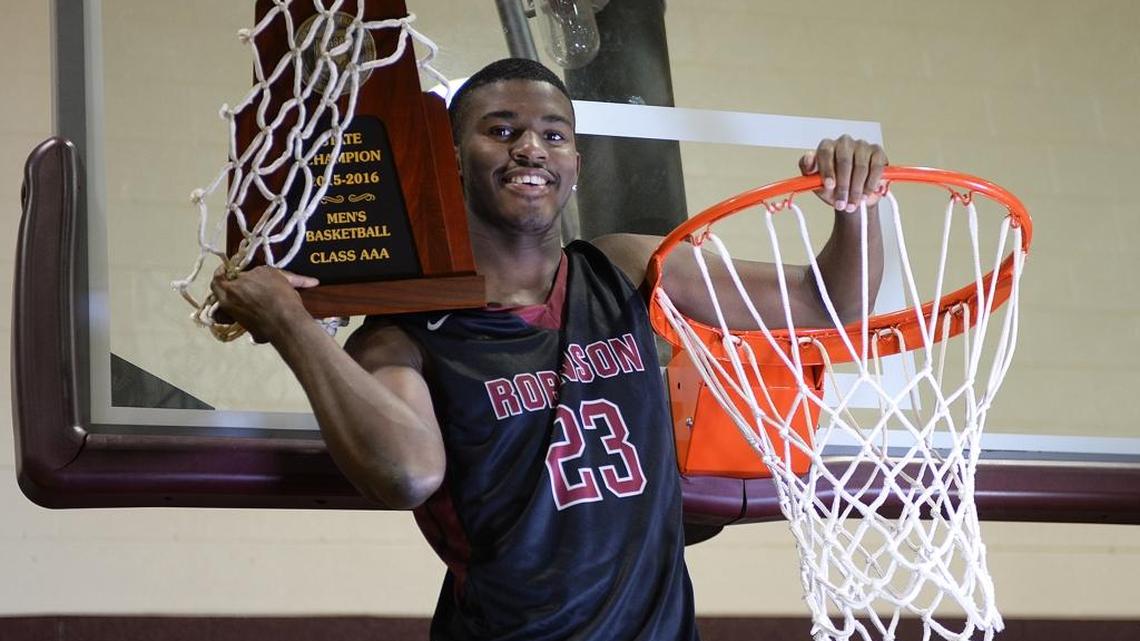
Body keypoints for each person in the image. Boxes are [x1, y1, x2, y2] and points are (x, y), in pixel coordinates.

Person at [211, 58, 886, 641]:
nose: (531, 147)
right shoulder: (407, 333)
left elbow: (828, 307)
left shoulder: (622, 267)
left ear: (575, 164)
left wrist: (856, 204)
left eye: (553, 134)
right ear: (451, 159)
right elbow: (407, 474)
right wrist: (292, 325)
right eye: (501, 130)